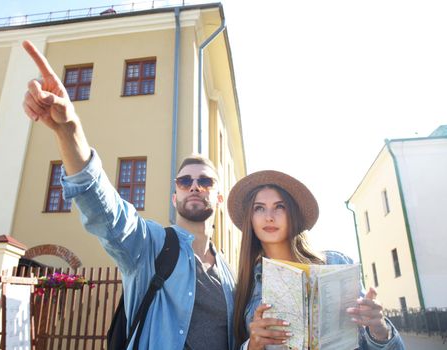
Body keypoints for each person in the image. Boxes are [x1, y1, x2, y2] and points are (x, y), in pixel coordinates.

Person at [21, 40, 235, 350]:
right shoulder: (149, 245)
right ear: (174, 197)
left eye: (205, 181)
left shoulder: (229, 274)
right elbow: (105, 209)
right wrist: (69, 129)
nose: (194, 185)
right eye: (184, 180)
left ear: (218, 198)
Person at [227, 170, 405, 350]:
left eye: (280, 206)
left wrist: (379, 328)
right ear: (250, 218)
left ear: (293, 214)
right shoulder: (244, 288)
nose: (269, 216)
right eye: (259, 208)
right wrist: (252, 346)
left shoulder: (336, 263)